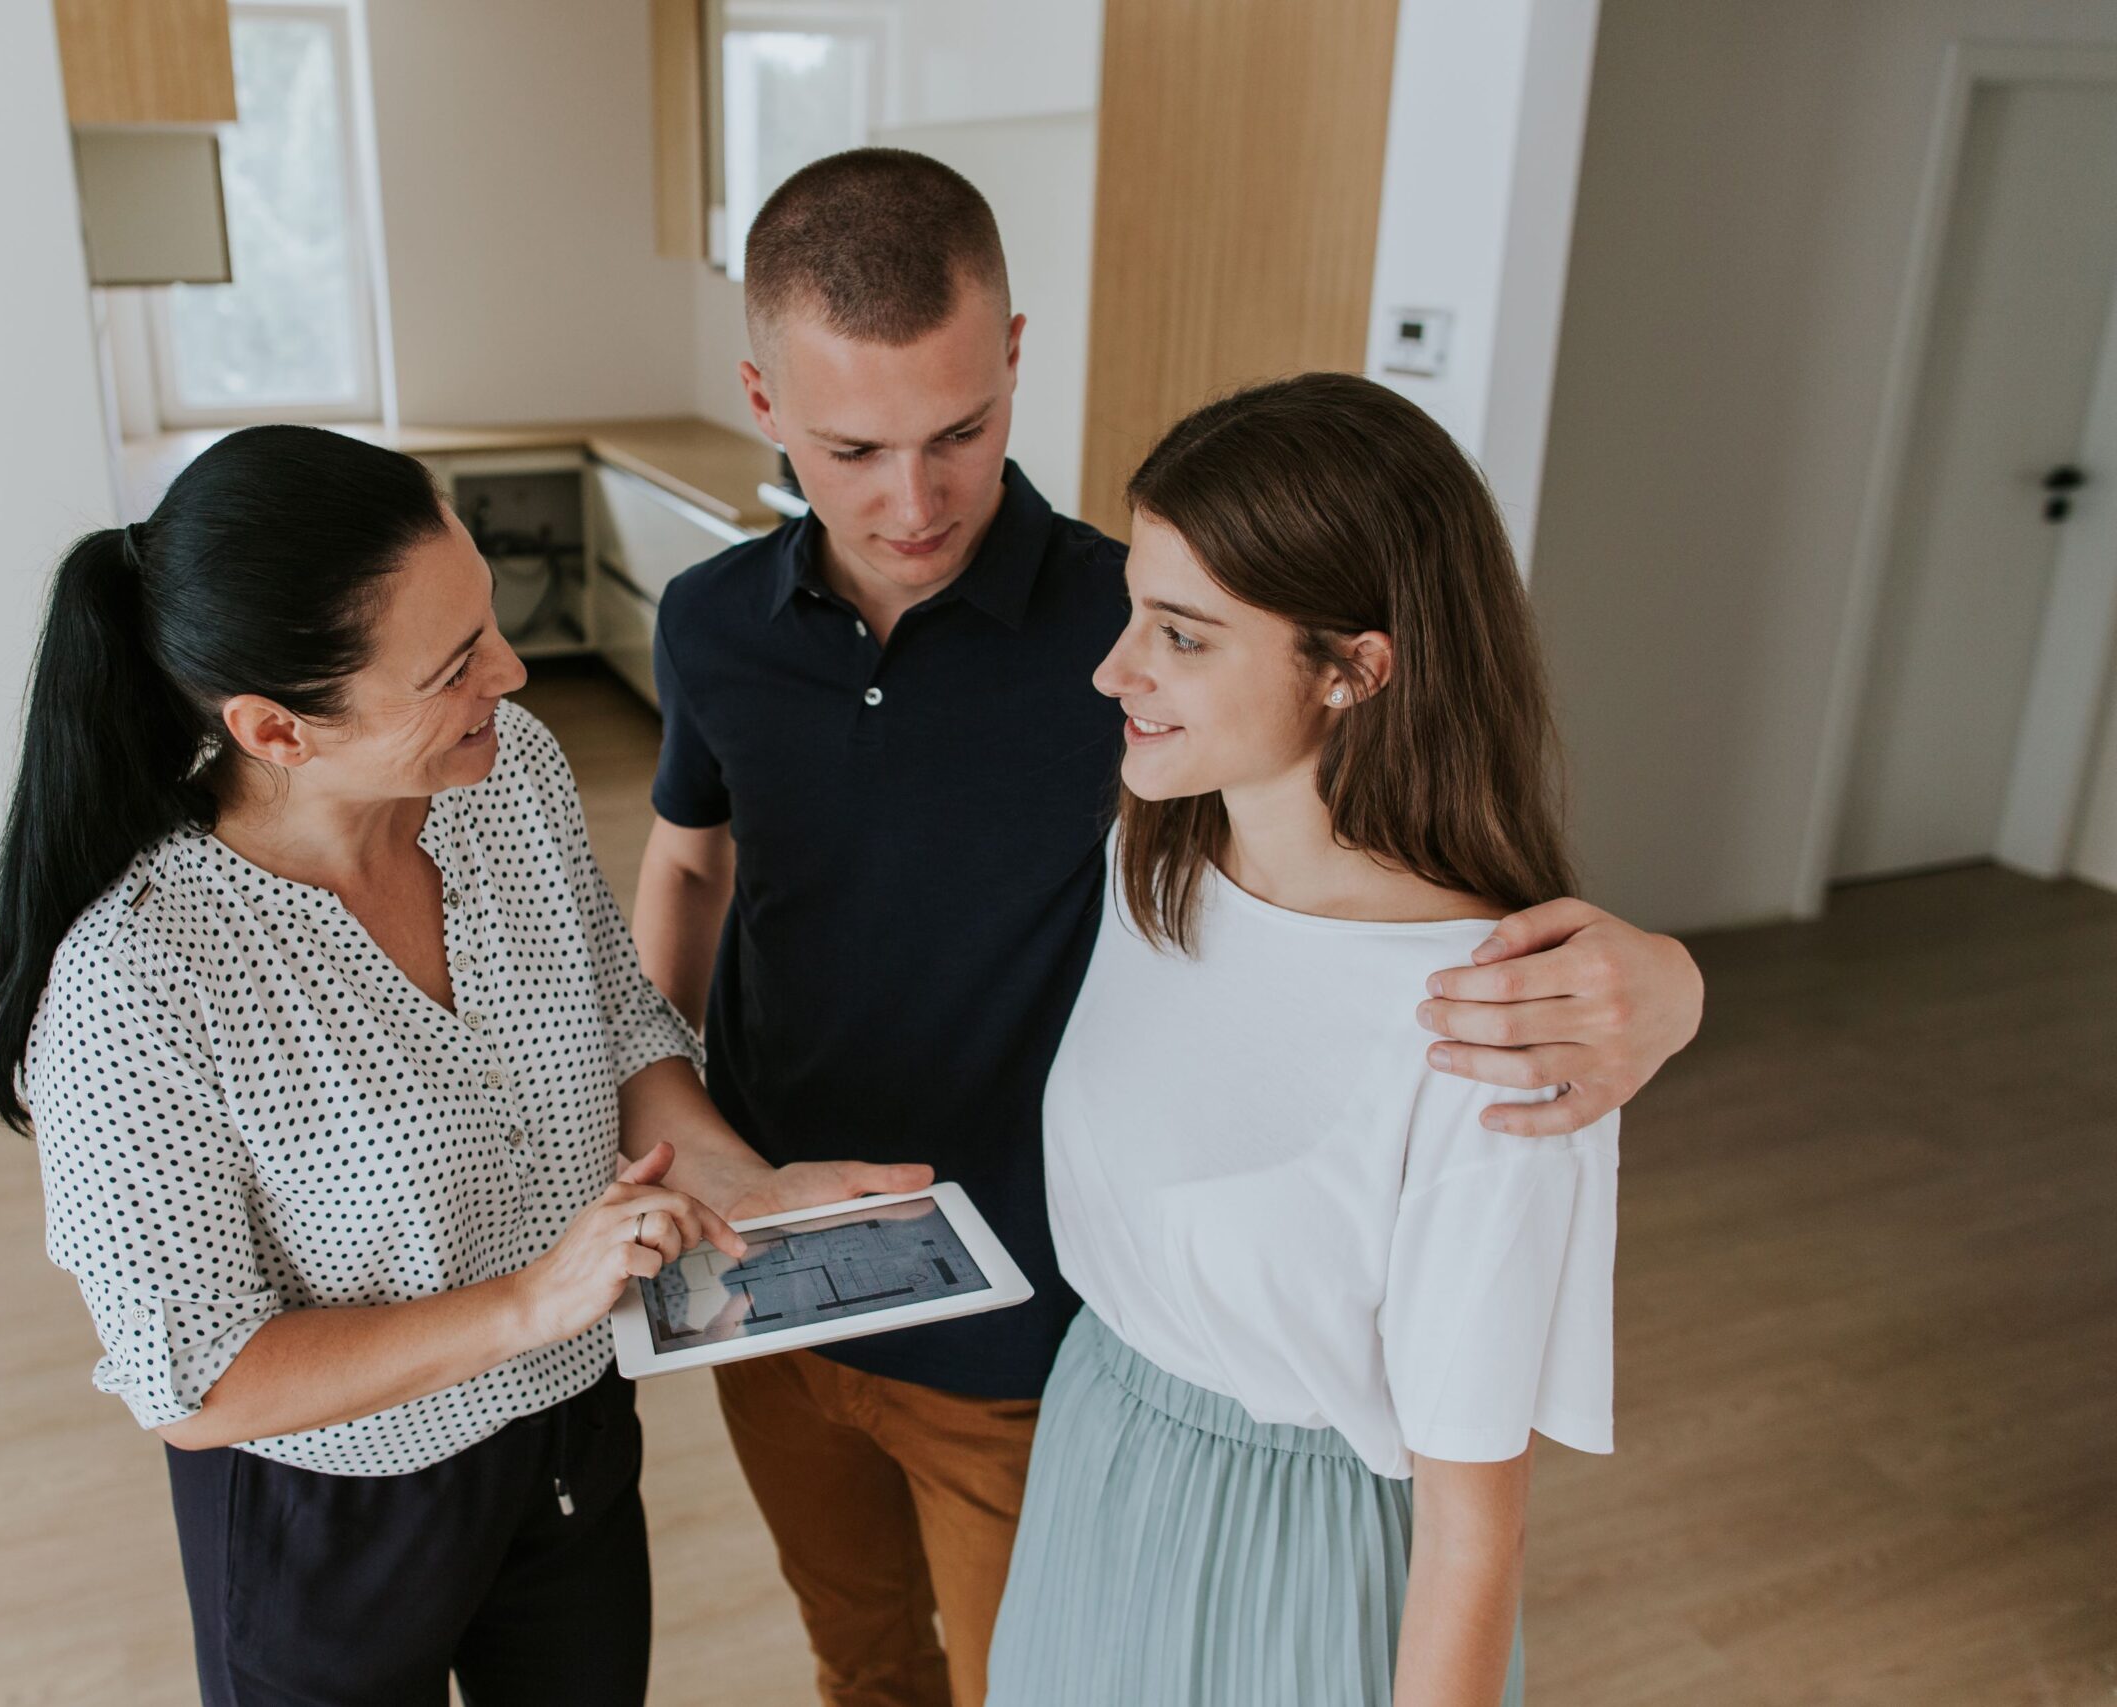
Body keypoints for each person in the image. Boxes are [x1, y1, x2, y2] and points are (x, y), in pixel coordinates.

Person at [632, 149, 1702, 1707]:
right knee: (858, 1656)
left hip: (1030, 1336)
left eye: (960, 432)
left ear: (1014, 360)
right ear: (763, 401)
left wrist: (1671, 981)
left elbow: (1377, 887)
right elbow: (689, 861)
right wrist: (672, 1124)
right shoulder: (732, 628)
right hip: (800, 1276)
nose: (910, 500)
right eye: (853, 448)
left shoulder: (1144, 685)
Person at [0, 425, 924, 1707]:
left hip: (574, 1437)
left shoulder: (507, 776)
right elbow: (193, 1377)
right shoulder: (138, 981)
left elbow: (622, 1022)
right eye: (456, 664)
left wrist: (738, 1183)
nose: (516, 675)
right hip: (340, 1507)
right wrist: (534, 1300)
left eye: (491, 620)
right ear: (277, 729)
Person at [988, 372, 1613, 1705]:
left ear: (1353, 667)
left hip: (1289, 1556)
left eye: (1184, 634)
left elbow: (1473, 1522)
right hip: (1095, 1460)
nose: (1117, 669)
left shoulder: (1491, 1022)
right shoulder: (1154, 859)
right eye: (1131, 612)